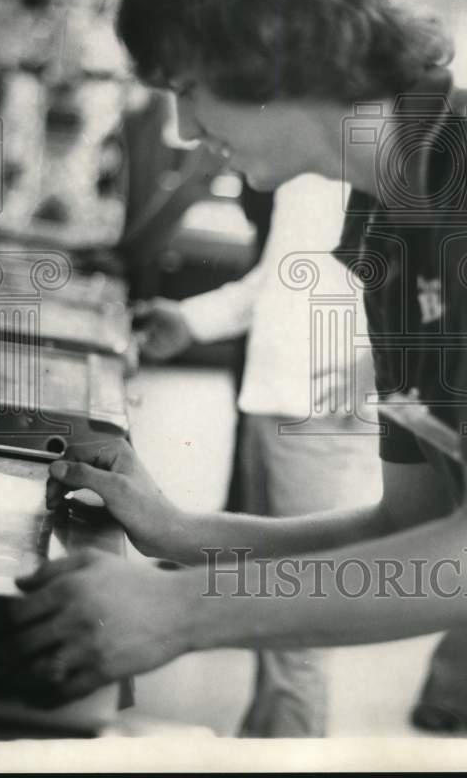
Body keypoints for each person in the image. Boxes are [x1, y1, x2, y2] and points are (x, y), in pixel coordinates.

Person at [1, 0, 467, 738]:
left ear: (261, 49)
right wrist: (186, 536)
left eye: (187, 86)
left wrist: (185, 613)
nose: (186, 127)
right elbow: (406, 523)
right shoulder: (385, 223)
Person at [133, 171, 383, 737]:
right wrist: (192, 320)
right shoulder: (302, 175)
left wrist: (379, 366)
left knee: (300, 623)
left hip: (325, 414)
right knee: (272, 606)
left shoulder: (380, 151)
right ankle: (262, 741)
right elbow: (274, 279)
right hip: (271, 397)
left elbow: (445, 264)